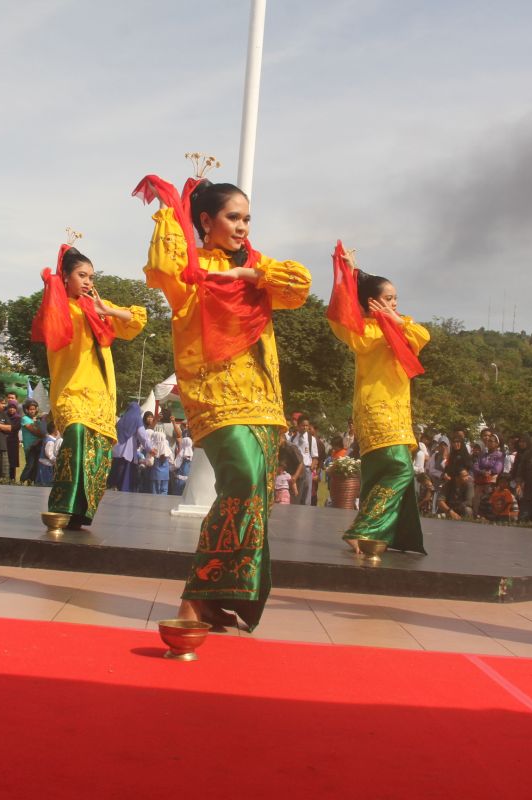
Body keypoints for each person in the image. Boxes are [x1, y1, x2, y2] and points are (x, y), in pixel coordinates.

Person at [135, 166, 310, 629]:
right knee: (244, 478)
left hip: (264, 401)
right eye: (233, 217)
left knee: (253, 495)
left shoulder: (258, 271)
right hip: (214, 397)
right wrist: (174, 212)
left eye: (248, 219)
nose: (243, 227)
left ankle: (221, 595)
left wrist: (251, 271)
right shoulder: (194, 271)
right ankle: (198, 595)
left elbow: (300, 287)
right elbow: (164, 268)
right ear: (207, 220)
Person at [31, 244, 146, 530]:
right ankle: (61, 507)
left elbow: (136, 321)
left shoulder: (97, 307)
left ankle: (81, 513)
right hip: (71, 391)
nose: (88, 282)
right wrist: (53, 286)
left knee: (97, 453)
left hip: (100, 394)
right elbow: (52, 325)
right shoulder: (57, 306)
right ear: (66, 277)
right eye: (82, 275)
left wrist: (108, 310)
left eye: (91, 277)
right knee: (77, 436)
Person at [326, 244, 429, 554]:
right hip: (377, 410)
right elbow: (340, 318)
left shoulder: (402, 328)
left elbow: (423, 336)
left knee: (378, 474)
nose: (395, 304)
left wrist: (396, 321)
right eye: (388, 299)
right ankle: (364, 528)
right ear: (372, 303)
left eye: (396, 298)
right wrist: (347, 274)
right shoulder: (365, 332)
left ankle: (379, 538)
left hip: (396, 412)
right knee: (400, 470)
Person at [36, 422, 59, 487]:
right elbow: (49, 454)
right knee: (46, 483)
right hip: (46, 465)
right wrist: (56, 460)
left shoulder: (51, 439)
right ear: (55, 430)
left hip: (47, 464)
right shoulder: (50, 441)